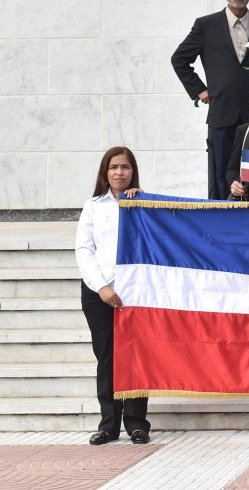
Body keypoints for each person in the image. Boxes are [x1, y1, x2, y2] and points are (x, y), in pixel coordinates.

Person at [172, 0, 249, 200]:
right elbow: (179, 59)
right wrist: (199, 90)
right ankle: (220, 217)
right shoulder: (206, 25)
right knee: (221, 171)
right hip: (222, 112)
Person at [76, 147, 150, 445]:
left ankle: (136, 423)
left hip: (136, 293)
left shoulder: (144, 205)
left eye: (125, 167)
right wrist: (102, 287)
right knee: (107, 357)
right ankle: (109, 424)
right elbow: (84, 250)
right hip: (99, 293)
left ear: (133, 171)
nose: (120, 172)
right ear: (105, 173)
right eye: (114, 167)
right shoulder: (93, 206)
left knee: (135, 357)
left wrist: (145, 204)